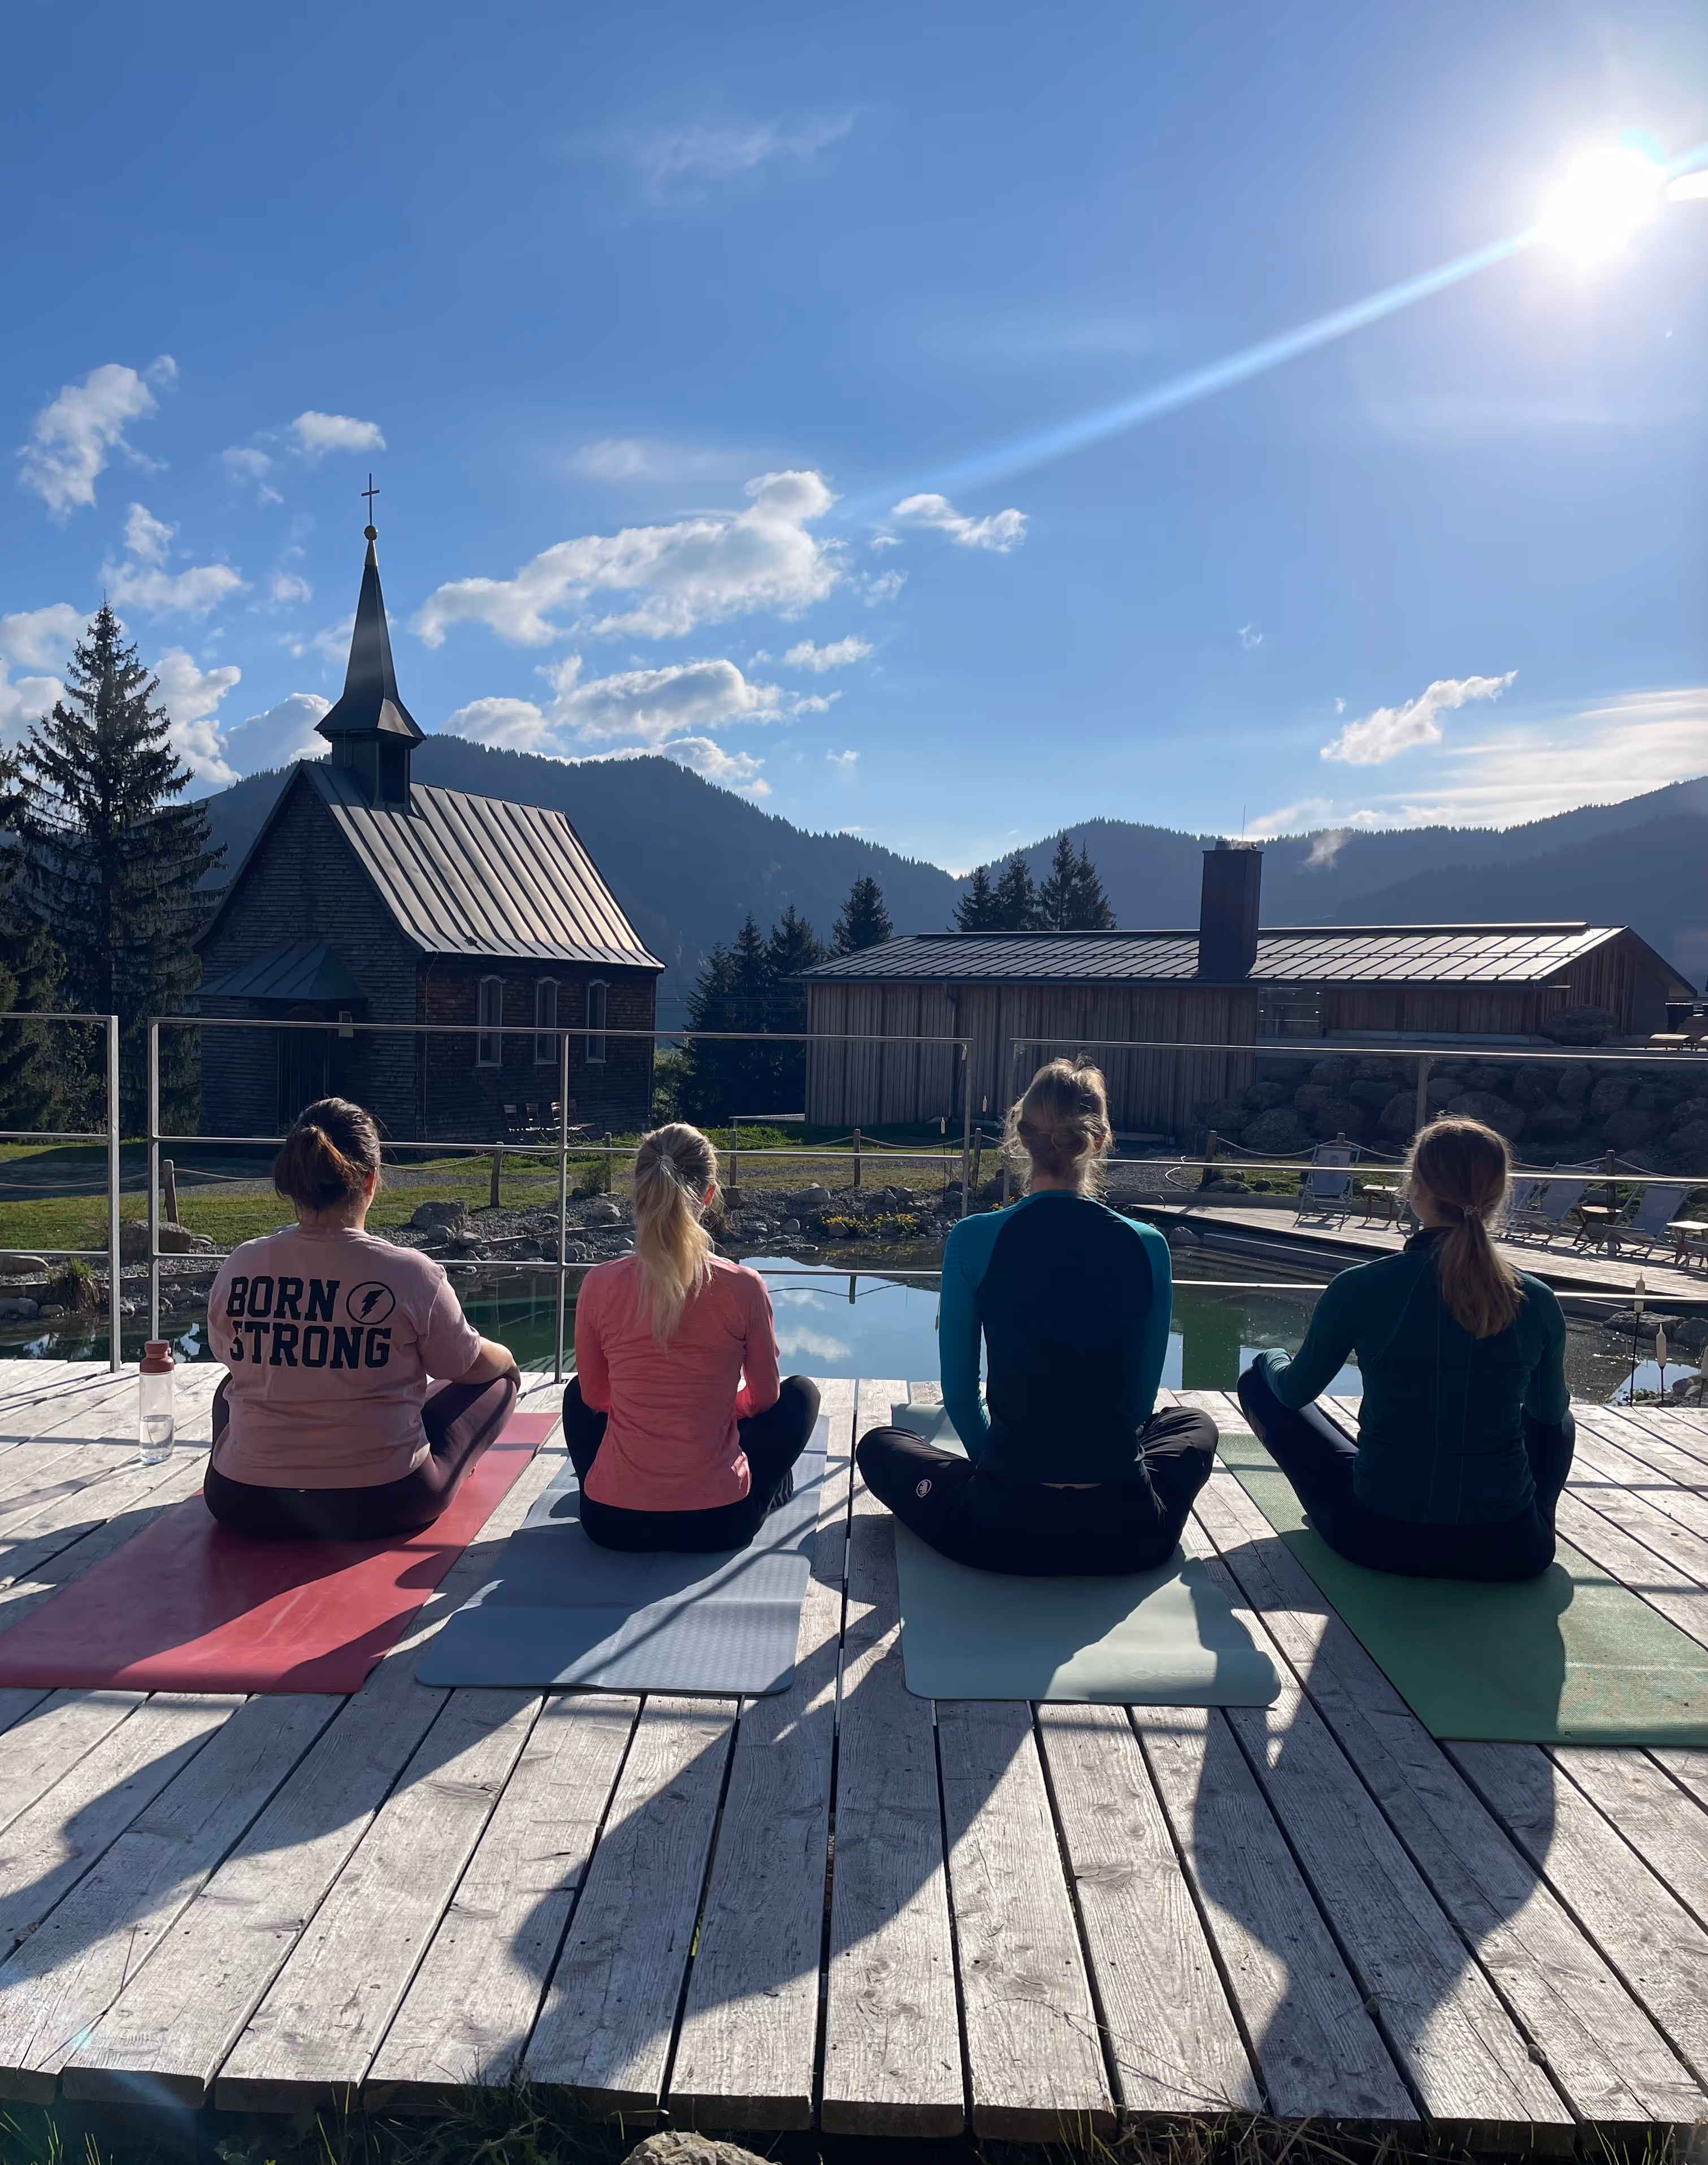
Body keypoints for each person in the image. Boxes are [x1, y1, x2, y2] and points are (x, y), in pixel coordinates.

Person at [856, 1060, 1218, 1575]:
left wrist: (1001, 1464)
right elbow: (1139, 1404)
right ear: (1100, 1140)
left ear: (1021, 1137)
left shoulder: (973, 1238)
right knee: (1192, 1424)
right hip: (1129, 1531)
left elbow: (960, 1395)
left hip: (1002, 1527)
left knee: (880, 1445)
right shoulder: (1149, 1246)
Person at [1237, 1115, 1573, 1582]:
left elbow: (1293, 1394)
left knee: (1259, 1384)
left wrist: (1269, 1358)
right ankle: (1537, 1515)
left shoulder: (1361, 1286)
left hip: (1379, 1538)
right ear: (1498, 1196)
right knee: (1559, 1416)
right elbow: (1548, 1413)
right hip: (1511, 1550)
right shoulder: (1534, 1298)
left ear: (1415, 1189)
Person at [203, 1097, 521, 1540]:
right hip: (384, 1501)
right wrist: (506, 1358)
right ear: (371, 1179)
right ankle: (439, 1462)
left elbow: (228, 1356)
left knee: (230, 1388)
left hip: (244, 1500)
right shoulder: (410, 1272)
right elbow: (469, 1367)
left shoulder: (242, 1263)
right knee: (499, 1382)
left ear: (295, 1182)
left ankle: (261, 1461)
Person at [563, 1122, 820, 1552]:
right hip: (719, 1522)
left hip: (610, 1522)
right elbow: (765, 1400)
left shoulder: (599, 1284)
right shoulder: (743, 1286)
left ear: (639, 1192)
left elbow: (596, 1399)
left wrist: (650, 1410)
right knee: (802, 1395)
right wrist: (722, 1409)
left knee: (574, 1395)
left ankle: (611, 1479)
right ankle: (768, 1486)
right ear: (708, 1194)